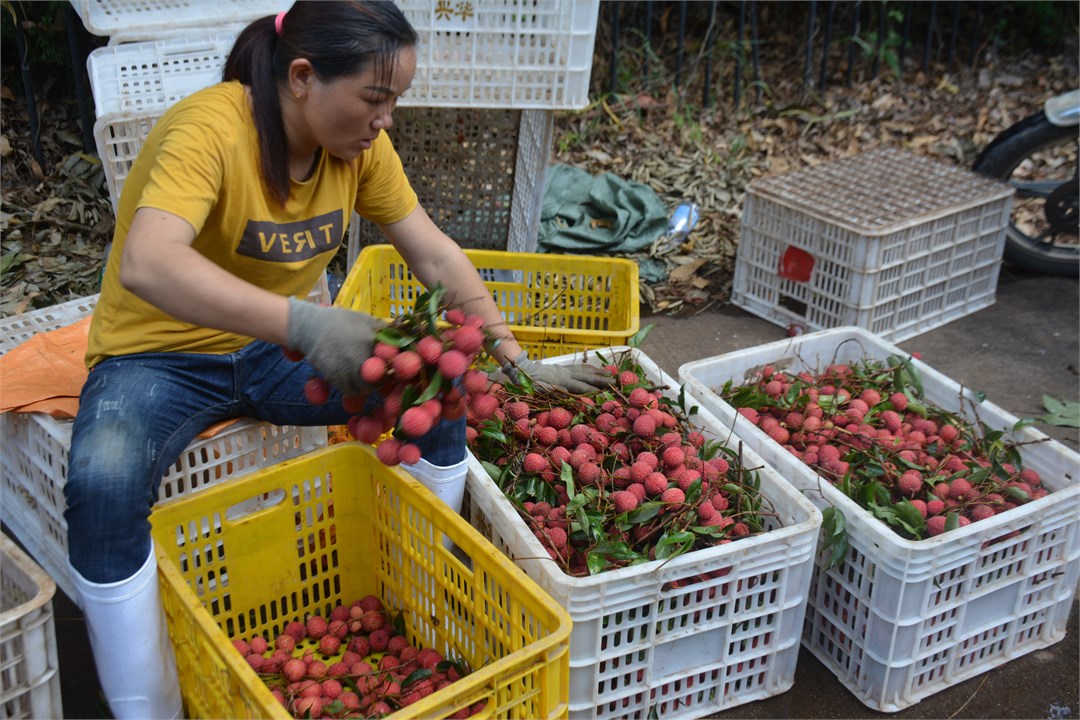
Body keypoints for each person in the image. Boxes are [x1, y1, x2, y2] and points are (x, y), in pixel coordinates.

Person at [63, 2, 613, 717]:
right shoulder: (210, 129)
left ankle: (416, 606)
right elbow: (148, 262)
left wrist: (509, 357)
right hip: (157, 359)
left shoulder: (358, 150)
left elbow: (434, 252)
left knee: (438, 386)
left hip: (278, 353)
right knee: (101, 487)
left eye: (394, 102)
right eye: (374, 98)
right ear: (302, 77)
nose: (385, 119)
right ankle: (150, 707)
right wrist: (305, 319)